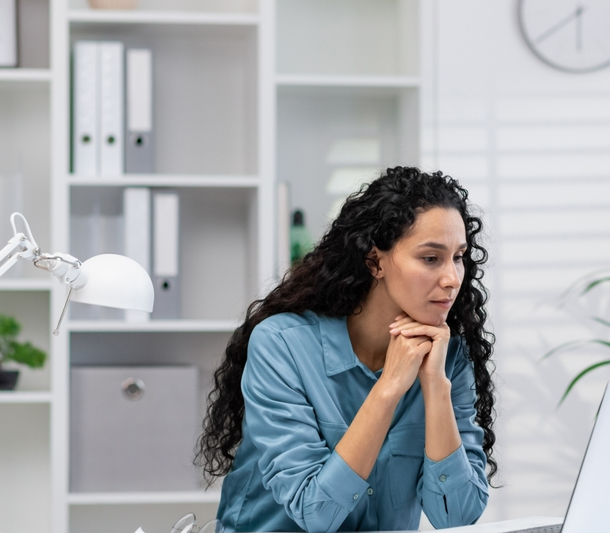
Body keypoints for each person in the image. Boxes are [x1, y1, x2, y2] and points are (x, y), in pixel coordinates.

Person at [196, 167, 497, 533]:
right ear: (374, 261)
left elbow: (457, 517)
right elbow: (315, 513)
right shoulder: (282, 345)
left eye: (459, 257)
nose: (451, 278)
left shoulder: (447, 357)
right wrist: (388, 388)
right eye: (431, 258)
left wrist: (436, 388)